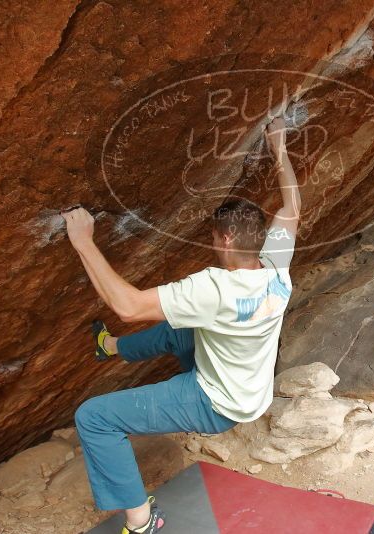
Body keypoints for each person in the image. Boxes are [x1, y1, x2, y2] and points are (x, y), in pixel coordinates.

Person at [61, 116, 300, 534]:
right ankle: (111, 347)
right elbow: (293, 207)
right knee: (180, 328)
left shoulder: (213, 289)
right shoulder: (277, 268)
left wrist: (83, 241)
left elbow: (129, 305)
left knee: (94, 417)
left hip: (214, 403)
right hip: (250, 390)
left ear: (224, 240)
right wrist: (278, 142)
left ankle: (140, 521)